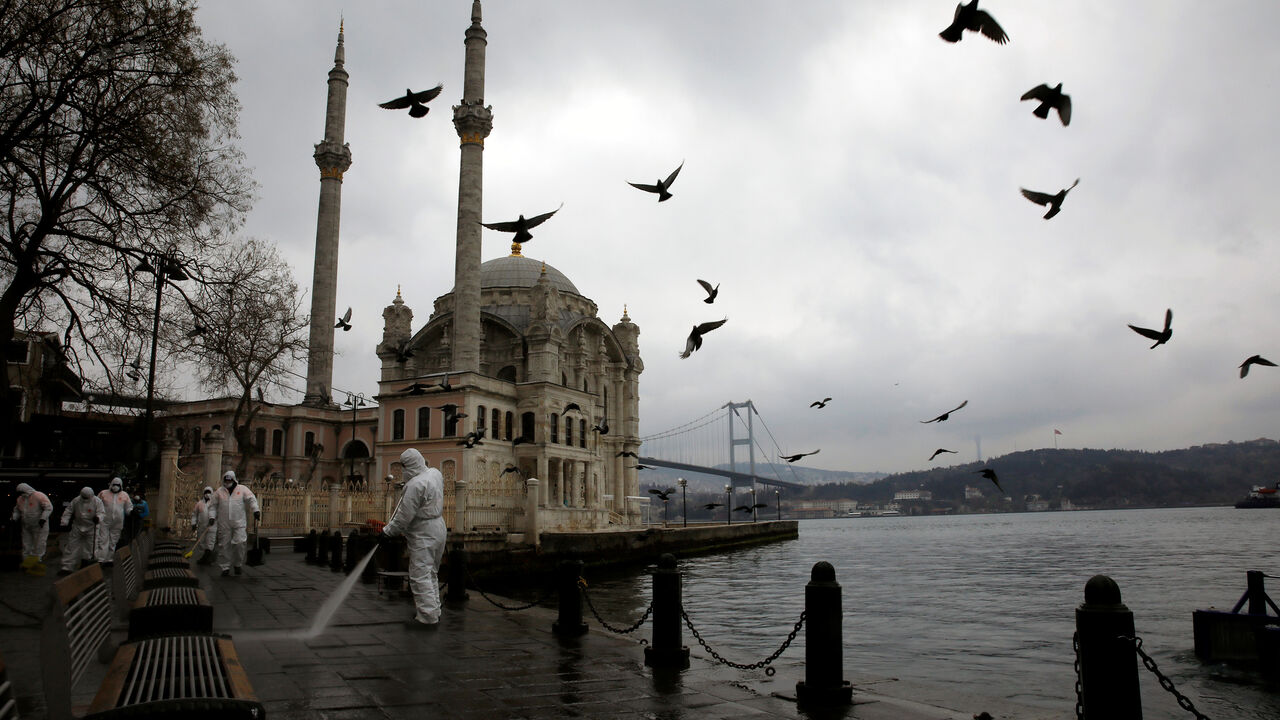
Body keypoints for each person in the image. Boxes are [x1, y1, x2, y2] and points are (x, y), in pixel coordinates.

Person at [380, 448, 447, 628]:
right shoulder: (435, 473)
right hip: (439, 526)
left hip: (423, 531)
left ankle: (427, 617)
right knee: (431, 571)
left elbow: (403, 516)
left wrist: (387, 532)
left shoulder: (415, 485)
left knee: (420, 574)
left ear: (408, 466)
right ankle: (434, 610)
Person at [209, 470, 259, 576]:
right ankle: (225, 567)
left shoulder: (242, 489)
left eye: (229, 480)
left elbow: (252, 499)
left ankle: (238, 564)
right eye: (226, 480)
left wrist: (256, 510)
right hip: (224, 522)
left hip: (239, 522)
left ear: (233, 479)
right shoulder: (219, 492)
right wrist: (212, 516)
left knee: (240, 543)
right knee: (224, 544)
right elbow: (213, 506)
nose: (227, 482)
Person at [59, 487, 104, 575]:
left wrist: (98, 518)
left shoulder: (97, 501)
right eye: (83, 497)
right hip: (78, 526)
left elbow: (101, 512)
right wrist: (64, 522)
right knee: (71, 546)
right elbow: (68, 511)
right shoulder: (76, 500)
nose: (85, 499)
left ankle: (87, 564)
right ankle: (67, 567)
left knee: (91, 547)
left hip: (92, 527)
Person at [11, 482, 53, 566]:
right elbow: (17, 510)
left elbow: (48, 507)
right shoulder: (20, 499)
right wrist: (14, 518)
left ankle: (37, 561)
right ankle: (26, 562)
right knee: (26, 544)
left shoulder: (38, 496)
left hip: (39, 525)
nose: (21, 494)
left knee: (39, 543)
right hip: (26, 525)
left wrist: (43, 519)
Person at [96, 477, 133, 564]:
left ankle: (109, 559)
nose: (115, 487)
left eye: (117, 485)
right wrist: (97, 516)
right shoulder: (103, 493)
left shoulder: (124, 495)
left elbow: (128, 507)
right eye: (114, 485)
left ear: (121, 486)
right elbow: (96, 504)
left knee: (113, 541)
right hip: (104, 520)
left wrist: (132, 512)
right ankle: (101, 559)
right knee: (103, 540)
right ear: (111, 484)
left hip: (117, 522)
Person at [190, 486, 217, 564]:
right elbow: (194, 514)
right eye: (206, 492)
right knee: (201, 543)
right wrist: (193, 523)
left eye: (209, 492)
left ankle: (208, 558)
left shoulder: (214, 503)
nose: (207, 494)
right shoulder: (199, 503)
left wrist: (212, 518)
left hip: (211, 527)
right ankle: (202, 557)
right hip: (202, 527)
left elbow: (217, 512)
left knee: (210, 543)